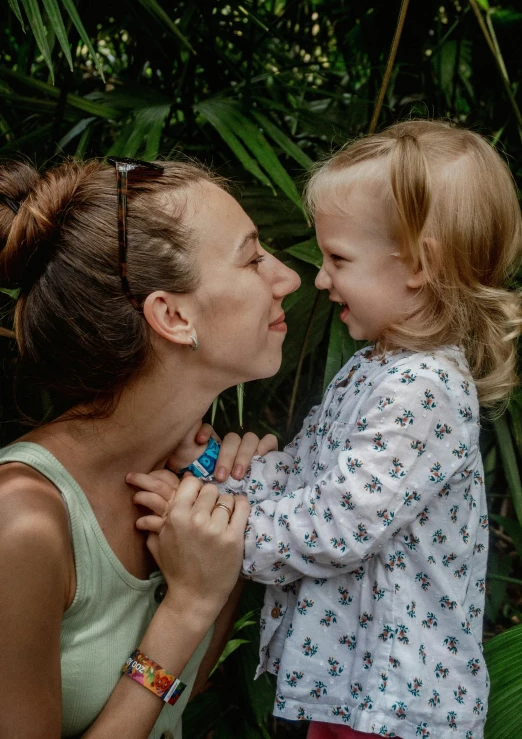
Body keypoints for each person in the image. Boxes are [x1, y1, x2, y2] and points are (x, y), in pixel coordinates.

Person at [130, 120, 522, 739]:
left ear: (422, 263)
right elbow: (304, 475)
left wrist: (209, 531)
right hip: (348, 692)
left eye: (339, 259)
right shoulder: (374, 369)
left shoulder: (425, 389)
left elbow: (335, 528)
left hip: (393, 708)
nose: (318, 278)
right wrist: (211, 475)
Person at [0, 156, 300, 738]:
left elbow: (178, 700)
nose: (287, 276)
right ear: (172, 315)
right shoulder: (23, 523)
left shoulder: (194, 482)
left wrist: (231, 509)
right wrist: (187, 605)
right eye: (252, 257)